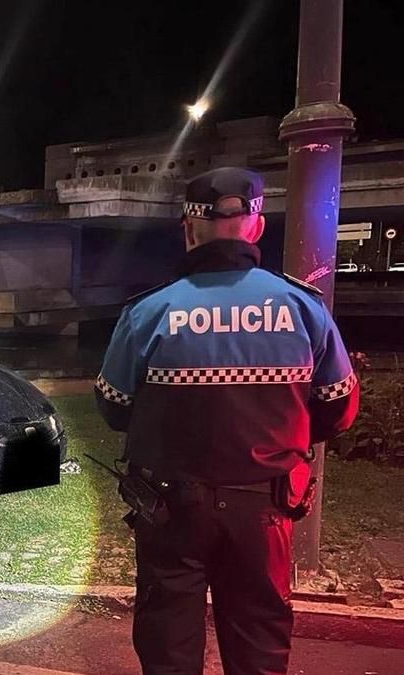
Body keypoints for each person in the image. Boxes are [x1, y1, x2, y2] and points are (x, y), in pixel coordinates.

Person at [94, 167, 359, 675]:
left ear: (188, 229)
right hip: (264, 508)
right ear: (256, 226)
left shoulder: (149, 311)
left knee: (168, 643)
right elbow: (338, 408)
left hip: (170, 509)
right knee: (259, 646)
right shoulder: (302, 306)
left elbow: (112, 406)